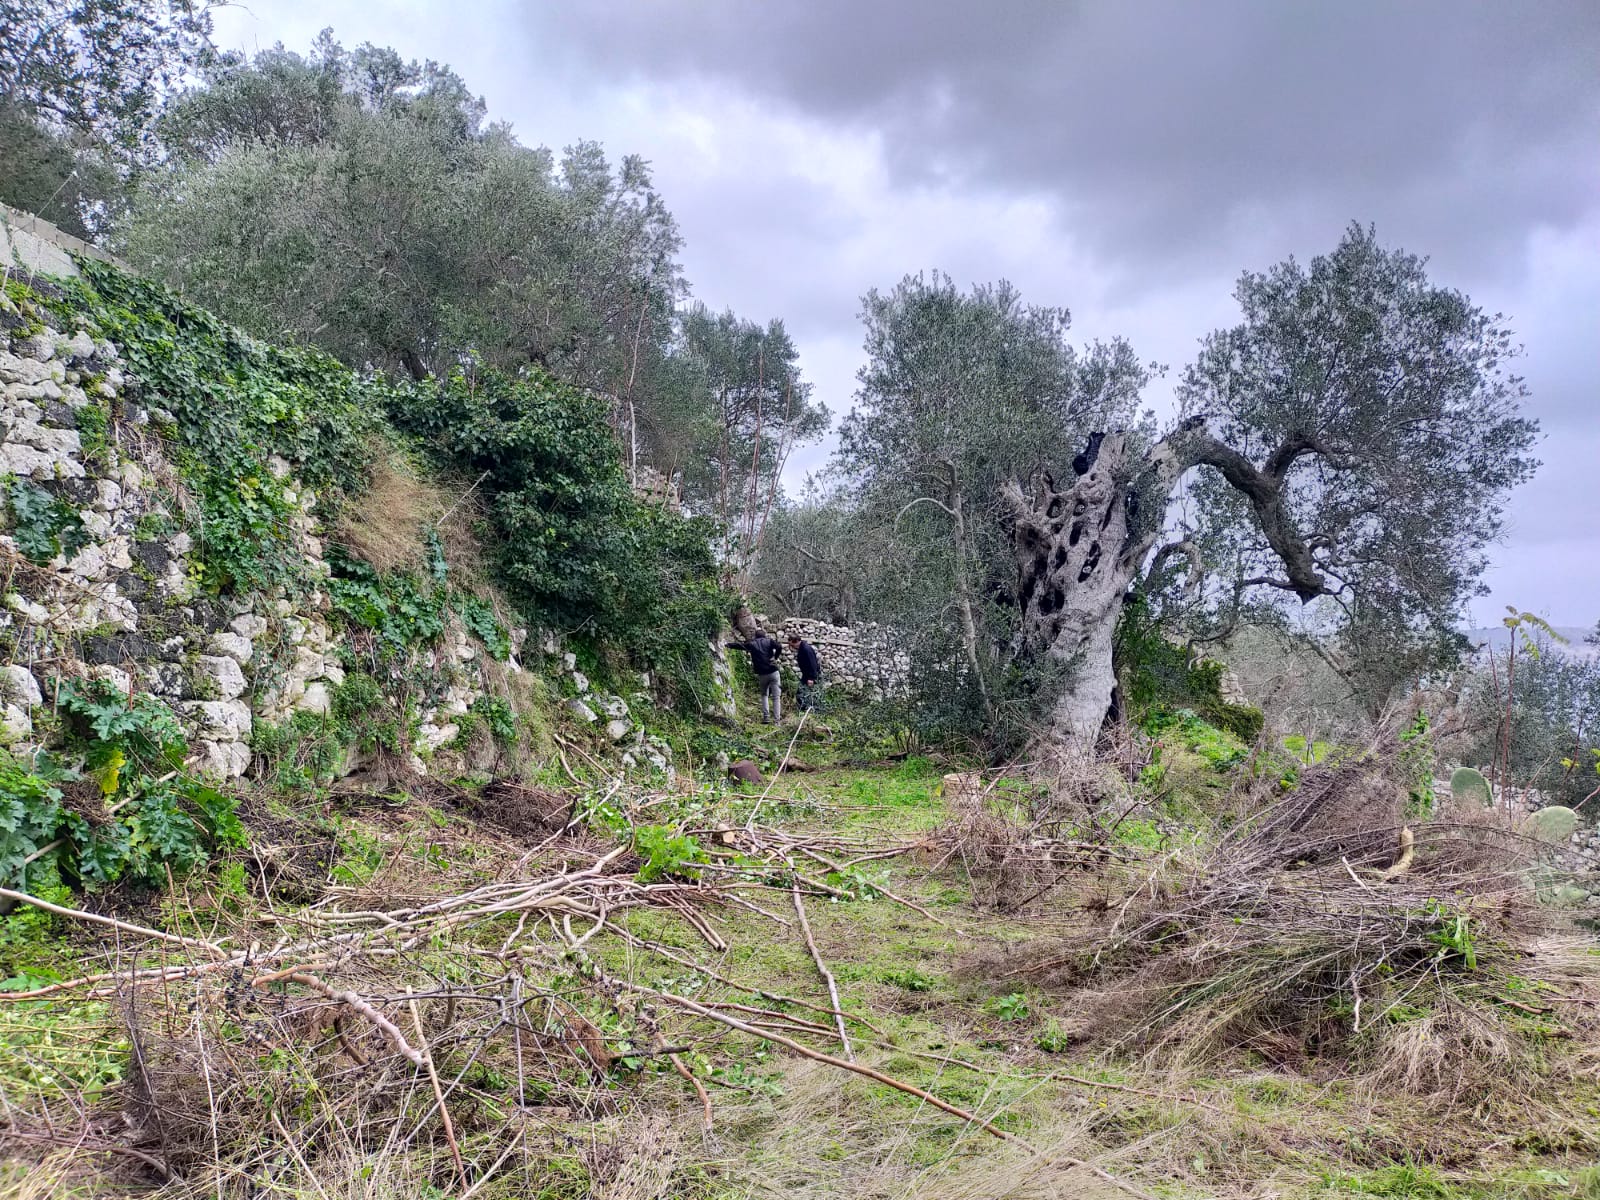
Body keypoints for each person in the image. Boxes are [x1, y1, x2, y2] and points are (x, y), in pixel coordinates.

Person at [725, 627, 783, 723]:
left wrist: (728, 645)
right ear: (764, 636)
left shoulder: (752, 644)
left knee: (764, 695)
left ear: (755, 636)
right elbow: (779, 647)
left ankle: (766, 717)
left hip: (762, 674)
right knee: (776, 697)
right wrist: (775, 657)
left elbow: (740, 646)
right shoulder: (769, 641)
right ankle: (777, 721)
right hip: (773, 672)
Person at [788, 632, 823, 712]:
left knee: (803, 693)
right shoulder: (802, 648)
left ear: (796, 641)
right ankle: (805, 709)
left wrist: (811, 678)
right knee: (803, 693)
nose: (791, 647)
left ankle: (807, 710)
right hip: (807, 675)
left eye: (792, 645)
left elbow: (812, 664)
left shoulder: (806, 649)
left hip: (811, 676)